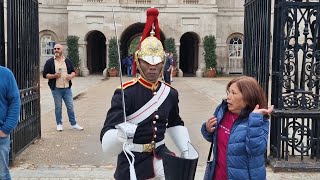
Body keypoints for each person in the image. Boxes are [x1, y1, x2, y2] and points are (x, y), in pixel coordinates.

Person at [100, 8, 194, 180]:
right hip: (132, 159)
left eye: (157, 62)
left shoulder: (170, 93)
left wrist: (185, 149)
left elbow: (174, 123)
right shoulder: (125, 93)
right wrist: (120, 134)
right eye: (147, 61)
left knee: (180, 174)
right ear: (138, 60)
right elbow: (107, 135)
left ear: (163, 63)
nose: (152, 66)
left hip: (159, 153)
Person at [201, 76, 273, 180]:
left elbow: (256, 150)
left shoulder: (259, 120)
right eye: (228, 92)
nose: (229, 97)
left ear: (248, 97)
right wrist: (207, 129)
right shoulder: (222, 111)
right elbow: (215, 139)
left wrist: (255, 119)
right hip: (218, 175)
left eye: (234, 93)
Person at [42, 43, 83, 131]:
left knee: (70, 106)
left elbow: (73, 72)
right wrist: (54, 76)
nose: (56, 50)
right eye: (55, 49)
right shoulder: (50, 62)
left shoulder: (67, 61)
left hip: (67, 88)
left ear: (62, 50)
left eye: (58, 49)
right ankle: (59, 124)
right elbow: (45, 75)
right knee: (58, 107)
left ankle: (73, 124)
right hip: (56, 88)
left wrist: (71, 76)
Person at [0, 65, 20, 180]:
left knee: (2, 175)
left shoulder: (5, 74)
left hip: (0, 136)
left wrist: (5, 129)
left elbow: (15, 102)